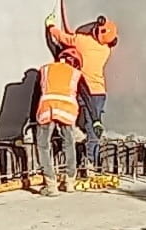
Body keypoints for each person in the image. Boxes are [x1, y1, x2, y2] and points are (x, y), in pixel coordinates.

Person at [46, 13, 117, 166]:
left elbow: (63, 38)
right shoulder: (106, 50)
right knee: (93, 127)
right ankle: (91, 161)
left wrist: (51, 26)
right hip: (99, 93)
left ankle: (85, 161)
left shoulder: (82, 41)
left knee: (73, 123)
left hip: (83, 92)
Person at [31, 46, 84, 194]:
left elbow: (36, 93)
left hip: (47, 108)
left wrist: (31, 117)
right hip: (67, 110)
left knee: (43, 145)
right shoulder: (75, 73)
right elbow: (82, 97)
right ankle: (70, 183)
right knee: (69, 143)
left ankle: (51, 185)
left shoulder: (45, 69)